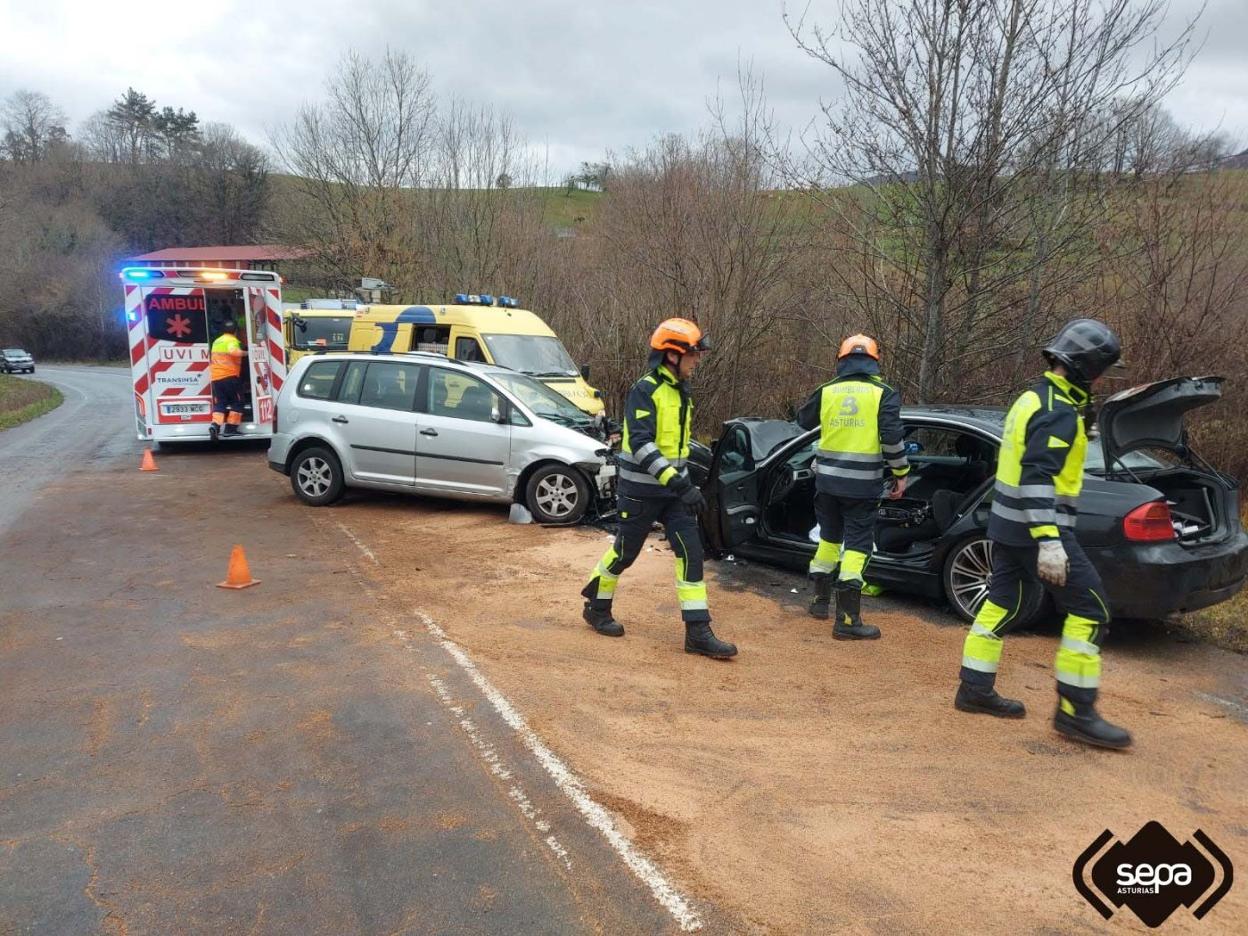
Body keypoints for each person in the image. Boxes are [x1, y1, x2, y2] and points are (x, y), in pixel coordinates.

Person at [955, 318, 1132, 750]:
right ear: (1090, 368)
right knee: (1091, 611)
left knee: (1003, 603)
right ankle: (1076, 713)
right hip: (1038, 529)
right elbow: (1037, 476)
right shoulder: (1057, 410)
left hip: (1008, 525)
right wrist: (1050, 541)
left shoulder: (1036, 397)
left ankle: (974, 689)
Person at [580, 318, 737, 659]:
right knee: (625, 553)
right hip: (640, 493)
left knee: (691, 555)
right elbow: (641, 443)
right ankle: (597, 604)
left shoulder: (682, 392)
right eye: (693, 354)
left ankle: (698, 632)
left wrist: (691, 477)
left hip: (673, 495)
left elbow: (674, 446)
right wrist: (681, 484)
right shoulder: (645, 390)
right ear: (671, 355)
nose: (697, 360)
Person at [796, 334, 909, 639]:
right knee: (858, 546)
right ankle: (847, 621)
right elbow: (892, 439)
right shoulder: (883, 393)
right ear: (874, 361)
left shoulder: (827, 390)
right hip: (861, 487)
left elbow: (803, 421)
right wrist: (901, 472)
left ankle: (819, 602)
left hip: (827, 484)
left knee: (829, 540)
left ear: (842, 360)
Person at [209, 320, 246, 438]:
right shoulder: (232, 340)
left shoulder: (216, 341)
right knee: (238, 401)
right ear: (235, 331)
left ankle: (215, 426)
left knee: (220, 403)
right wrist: (247, 353)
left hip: (216, 378)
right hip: (230, 377)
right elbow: (234, 352)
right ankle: (230, 428)